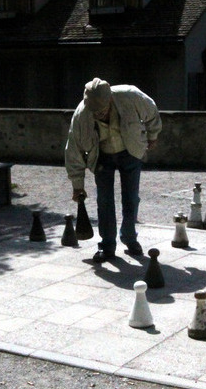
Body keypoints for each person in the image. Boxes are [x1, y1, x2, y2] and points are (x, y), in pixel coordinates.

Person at [64, 77, 162, 263]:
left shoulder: (130, 95)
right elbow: (73, 151)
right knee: (105, 201)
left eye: (102, 111)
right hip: (101, 157)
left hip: (131, 150)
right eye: (94, 112)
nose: (98, 115)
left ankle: (129, 237)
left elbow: (152, 112)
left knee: (131, 198)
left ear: (110, 99)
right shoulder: (81, 115)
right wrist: (77, 185)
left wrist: (153, 134)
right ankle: (107, 245)